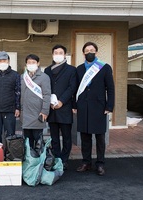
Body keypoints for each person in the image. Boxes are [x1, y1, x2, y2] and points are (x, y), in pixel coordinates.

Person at [74, 42, 115, 176]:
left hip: (99, 107)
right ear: (83, 53)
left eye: (92, 50)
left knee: (100, 138)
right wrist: (75, 105)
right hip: (83, 107)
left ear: (96, 52)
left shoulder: (105, 68)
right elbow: (75, 89)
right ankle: (86, 162)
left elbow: (111, 88)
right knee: (85, 137)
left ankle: (100, 164)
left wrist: (110, 106)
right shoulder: (79, 69)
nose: (89, 52)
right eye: (87, 50)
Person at [44, 44, 77, 170]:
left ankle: (64, 159)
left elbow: (72, 87)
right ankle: (56, 158)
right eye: (55, 52)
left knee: (67, 136)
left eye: (60, 52)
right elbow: (46, 88)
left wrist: (62, 101)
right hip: (51, 109)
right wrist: (50, 102)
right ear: (52, 55)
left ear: (64, 54)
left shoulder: (71, 70)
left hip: (64, 107)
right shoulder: (47, 70)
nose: (58, 55)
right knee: (54, 137)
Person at [0, 51, 21, 143]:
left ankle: (9, 155)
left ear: (8, 61)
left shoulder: (15, 75)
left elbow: (18, 92)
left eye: (4, 60)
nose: (2, 62)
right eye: (0, 61)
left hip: (10, 110)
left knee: (10, 136)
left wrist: (18, 107)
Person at [21, 54, 51, 148]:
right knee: (27, 141)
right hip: (25, 113)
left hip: (38, 113)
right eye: (29, 62)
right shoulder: (22, 77)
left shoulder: (44, 77)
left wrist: (45, 111)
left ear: (38, 63)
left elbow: (47, 95)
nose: (31, 64)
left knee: (38, 141)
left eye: (33, 62)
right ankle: (29, 159)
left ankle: (38, 160)